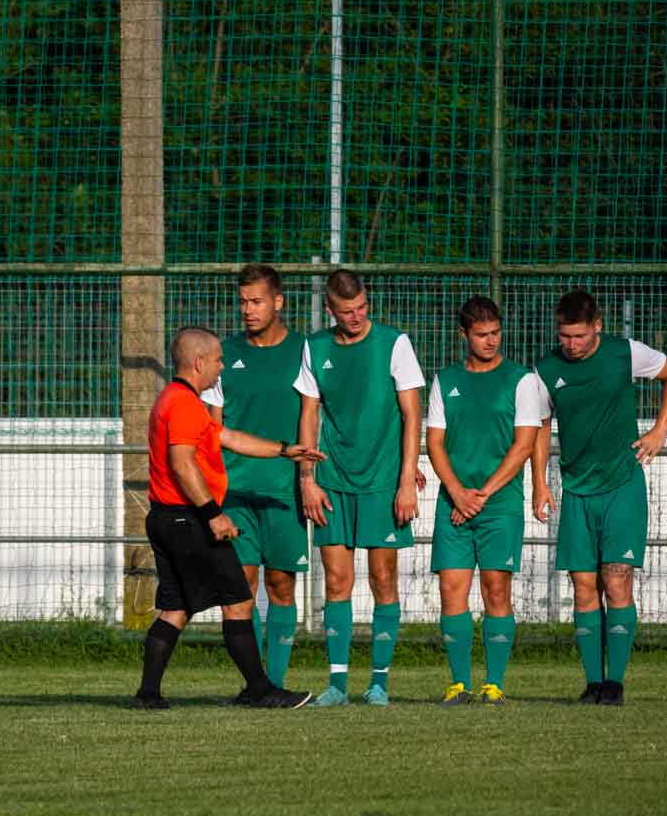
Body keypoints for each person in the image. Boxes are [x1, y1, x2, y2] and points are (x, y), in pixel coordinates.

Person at [133, 326, 318, 710]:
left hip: (165, 518)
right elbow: (183, 464)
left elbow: (229, 437)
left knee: (175, 608)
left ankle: (147, 694)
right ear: (199, 362)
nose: (222, 367)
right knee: (238, 601)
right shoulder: (184, 405)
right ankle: (260, 690)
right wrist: (213, 515)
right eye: (218, 361)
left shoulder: (176, 399)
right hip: (187, 519)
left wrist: (286, 450)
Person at [532, 290, 667, 706]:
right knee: (583, 584)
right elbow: (541, 427)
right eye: (565, 336)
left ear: (597, 326)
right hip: (576, 490)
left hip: (622, 485)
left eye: (580, 336)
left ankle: (615, 682)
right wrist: (540, 483)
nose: (571, 344)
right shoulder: (545, 369)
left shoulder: (624, 353)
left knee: (616, 579)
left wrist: (660, 430)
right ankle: (593, 682)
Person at [294, 269, 427, 706]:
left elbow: (412, 415)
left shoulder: (395, 343)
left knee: (383, 579)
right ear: (330, 309)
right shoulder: (315, 347)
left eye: (363, 307)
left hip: (382, 483)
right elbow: (309, 414)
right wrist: (307, 479)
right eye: (347, 311)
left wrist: (406, 480)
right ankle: (337, 685)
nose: (357, 316)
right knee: (336, 580)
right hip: (332, 481)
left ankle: (379, 683)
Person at [425, 299, 544, 705]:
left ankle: (494, 684)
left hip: (499, 505)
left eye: (495, 333)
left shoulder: (521, 380)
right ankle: (459, 684)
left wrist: (482, 494)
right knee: (451, 591)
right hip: (454, 504)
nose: (491, 341)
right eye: (481, 335)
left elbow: (523, 445)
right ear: (464, 335)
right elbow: (435, 443)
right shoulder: (445, 380)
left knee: (496, 591)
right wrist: (458, 493)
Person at [199, 264, 313, 688]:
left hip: (284, 491)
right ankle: (255, 685)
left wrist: (307, 478)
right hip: (235, 493)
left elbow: (313, 415)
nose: (248, 309)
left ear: (278, 302)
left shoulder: (304, 351)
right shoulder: (224, 356)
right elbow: (213, 429)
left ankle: (275, 682)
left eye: (257, 301)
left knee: (281, 586)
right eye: (243, 301)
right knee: (241, 587)